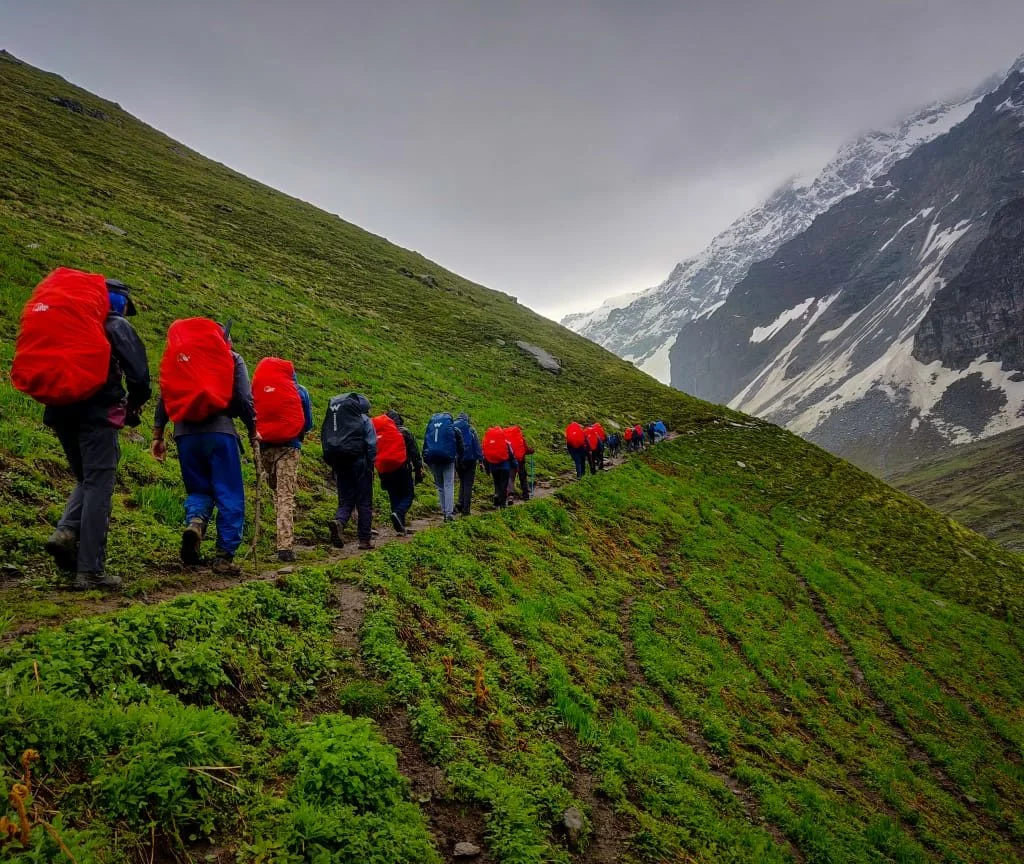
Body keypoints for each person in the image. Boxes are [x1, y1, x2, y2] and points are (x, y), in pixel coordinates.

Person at [23, 274, 152, 590]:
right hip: (97, 414)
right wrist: (133, 406)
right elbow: (139, 378)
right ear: (119, 303)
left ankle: (66, 531)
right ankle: (90, 571)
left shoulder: (74, 323)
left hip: (59, 411)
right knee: (99, 485)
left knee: (87, 479)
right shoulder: (114, 325)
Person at [153, 319, 256, 575]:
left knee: (198, 489)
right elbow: (243, 398)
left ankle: (196, 523)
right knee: (229, 492)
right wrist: (253, 429)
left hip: (184, 435)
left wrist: (158, 434)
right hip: (220, 432)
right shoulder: (232, 357)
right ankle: (223, 556)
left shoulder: (179, 357)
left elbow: (165, 395)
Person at [252, 357, 313, 563]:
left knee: (272, 489)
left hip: (264, 445)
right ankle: (284, 547)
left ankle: (265, 536)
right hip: (289, 447)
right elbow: (308, 422)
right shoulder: (300, 391)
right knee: (285, 495)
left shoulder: (258, 388)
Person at [321, 392, 376, 550]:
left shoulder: (336, 420)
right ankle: (364, 540)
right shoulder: (364, 419)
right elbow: (371, 444)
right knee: (364, 501)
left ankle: (339, 522)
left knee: (346, 500)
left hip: (339, 462)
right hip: (360, 462)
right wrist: (370, 463)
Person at [376, 410, 423, 535]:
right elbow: (414, 452)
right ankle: (399, 513)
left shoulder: (379, 432)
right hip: (402, 467)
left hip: (385, 469)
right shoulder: (404, 431)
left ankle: (400, 525)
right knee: (408, 494)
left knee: (394, 495)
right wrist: (418, 469)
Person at [423, 412, 464, 522]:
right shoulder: (453, 429)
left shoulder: (431, 427)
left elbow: (426, 443)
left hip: (433, 460)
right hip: (448, 460)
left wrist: (426, 460)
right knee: (448, 485)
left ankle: (444, 510)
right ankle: (449, 514)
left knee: (440, 487)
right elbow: (460, 446)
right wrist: (459, 458)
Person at [454, 413, 482, 516]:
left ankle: (460, 503)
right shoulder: (471, 429)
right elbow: (477, 445)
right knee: (468, 484)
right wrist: (480, 460)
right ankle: (466, 510)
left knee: (462, 481)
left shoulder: (453, 427)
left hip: (458, 459)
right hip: (470, 460)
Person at [482, 426, 516, 508]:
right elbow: (511, 454)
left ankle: (496, 496)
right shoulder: (505, 442)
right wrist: (514, 465)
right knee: (504, 485)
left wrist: (487, 469)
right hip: (504, 467)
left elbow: (485, 456)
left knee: (497, 483)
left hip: (493, 466)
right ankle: (502, 504)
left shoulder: (487, 442)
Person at [504, 424, 533, 502]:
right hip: (520, 460)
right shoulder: (520, 438)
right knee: (523, 477)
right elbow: (526, 449)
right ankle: (526, 495)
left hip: (510, 460)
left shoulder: (506, 438)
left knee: (511, 478)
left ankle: (510, 496)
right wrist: (531, 451)